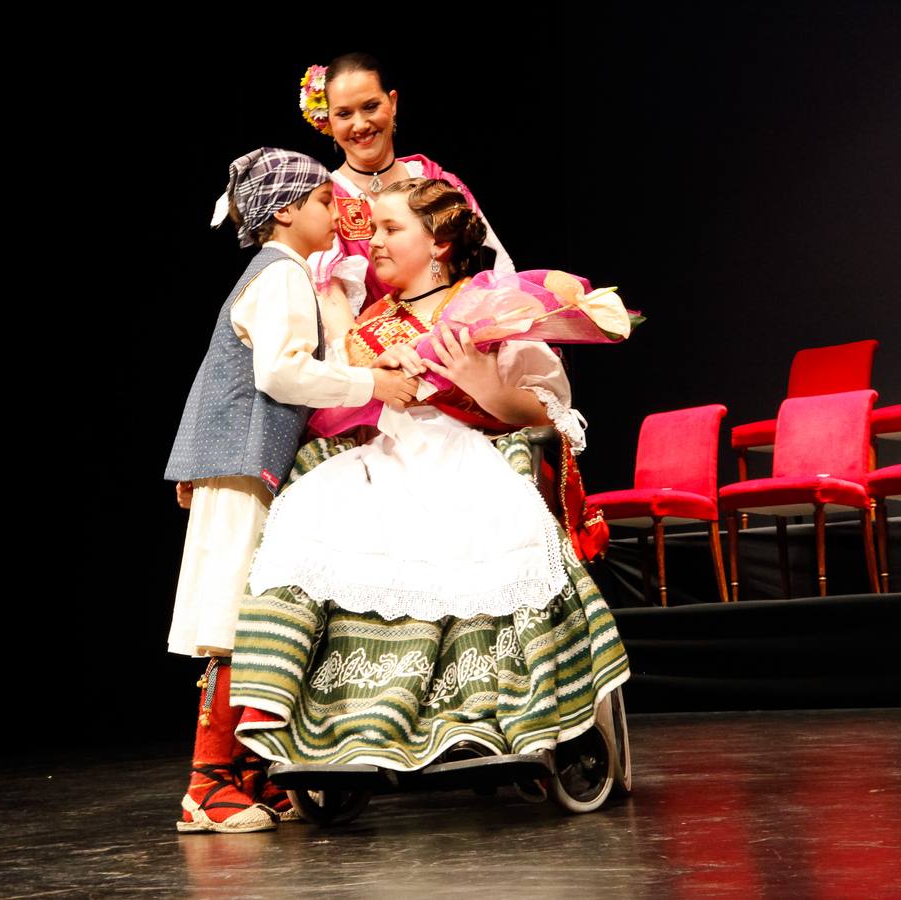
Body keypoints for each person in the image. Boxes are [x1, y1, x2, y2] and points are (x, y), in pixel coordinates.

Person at [230, 178, 629, 778]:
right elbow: (337, 412)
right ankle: (348, 723)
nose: (377, 245)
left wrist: (475, 378)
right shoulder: (367, 326)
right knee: (310, 515)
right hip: (388, 460)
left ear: (439, 242)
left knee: (472, 533)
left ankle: (484, 714)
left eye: (392, 231)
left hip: (472, 453)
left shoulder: (489, 301)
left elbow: (549, 414)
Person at [165, 148, 419, 834]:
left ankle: (246, 776)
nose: (334, 212)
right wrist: (373, 384)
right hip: (241, 465)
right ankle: (207, 786)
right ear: (285, 211)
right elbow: (280, 375)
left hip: (248, 463)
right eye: (320, 202)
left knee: (256, 613)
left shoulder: (285, 275)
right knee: (231, 620)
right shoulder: (280, 276)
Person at [298, 53, 515, 342]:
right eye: (344, 114)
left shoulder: (436, 180)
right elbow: (329, 298)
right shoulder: (326, 201)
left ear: (393, 103)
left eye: (371, 106)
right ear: (328, 120)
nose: (360, 125)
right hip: (377, 359)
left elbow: (497, 270)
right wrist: (365, 364)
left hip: (460, 345)